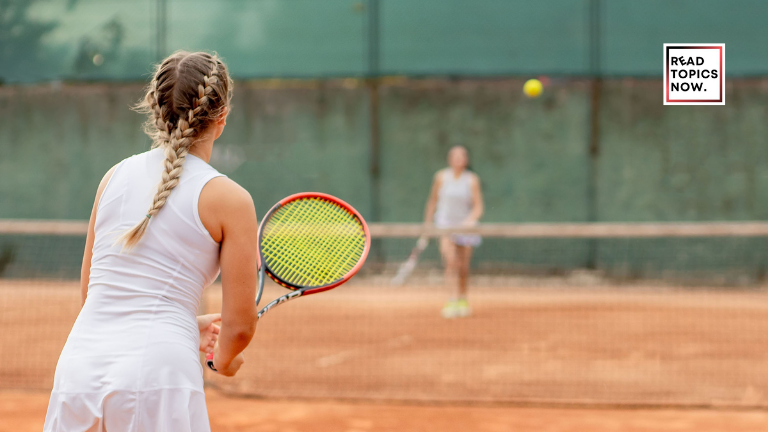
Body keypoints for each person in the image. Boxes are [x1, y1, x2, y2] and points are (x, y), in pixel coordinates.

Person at [44, 51, 259, 432]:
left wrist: (183, 325)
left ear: (154, 109)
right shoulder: (231, 199)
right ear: (222, 117)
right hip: (158, 378)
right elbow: (240, 328)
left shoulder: (112, 177)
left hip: (78, 371)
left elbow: (96, 298)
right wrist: (223, 361)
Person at [423, 146, 484, 318]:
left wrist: (468, 222)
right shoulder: (441, 177)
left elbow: (478, 207)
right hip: (445, 225)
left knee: (463, 267)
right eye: (455, 156)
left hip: (466, 228)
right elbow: (432, 202)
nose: (458, 159)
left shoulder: (472, 179)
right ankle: (452, 299)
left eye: (462, 156)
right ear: (449, 159)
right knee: (450, 262)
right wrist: (427, 225)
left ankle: (463, 299)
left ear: (466, 160)